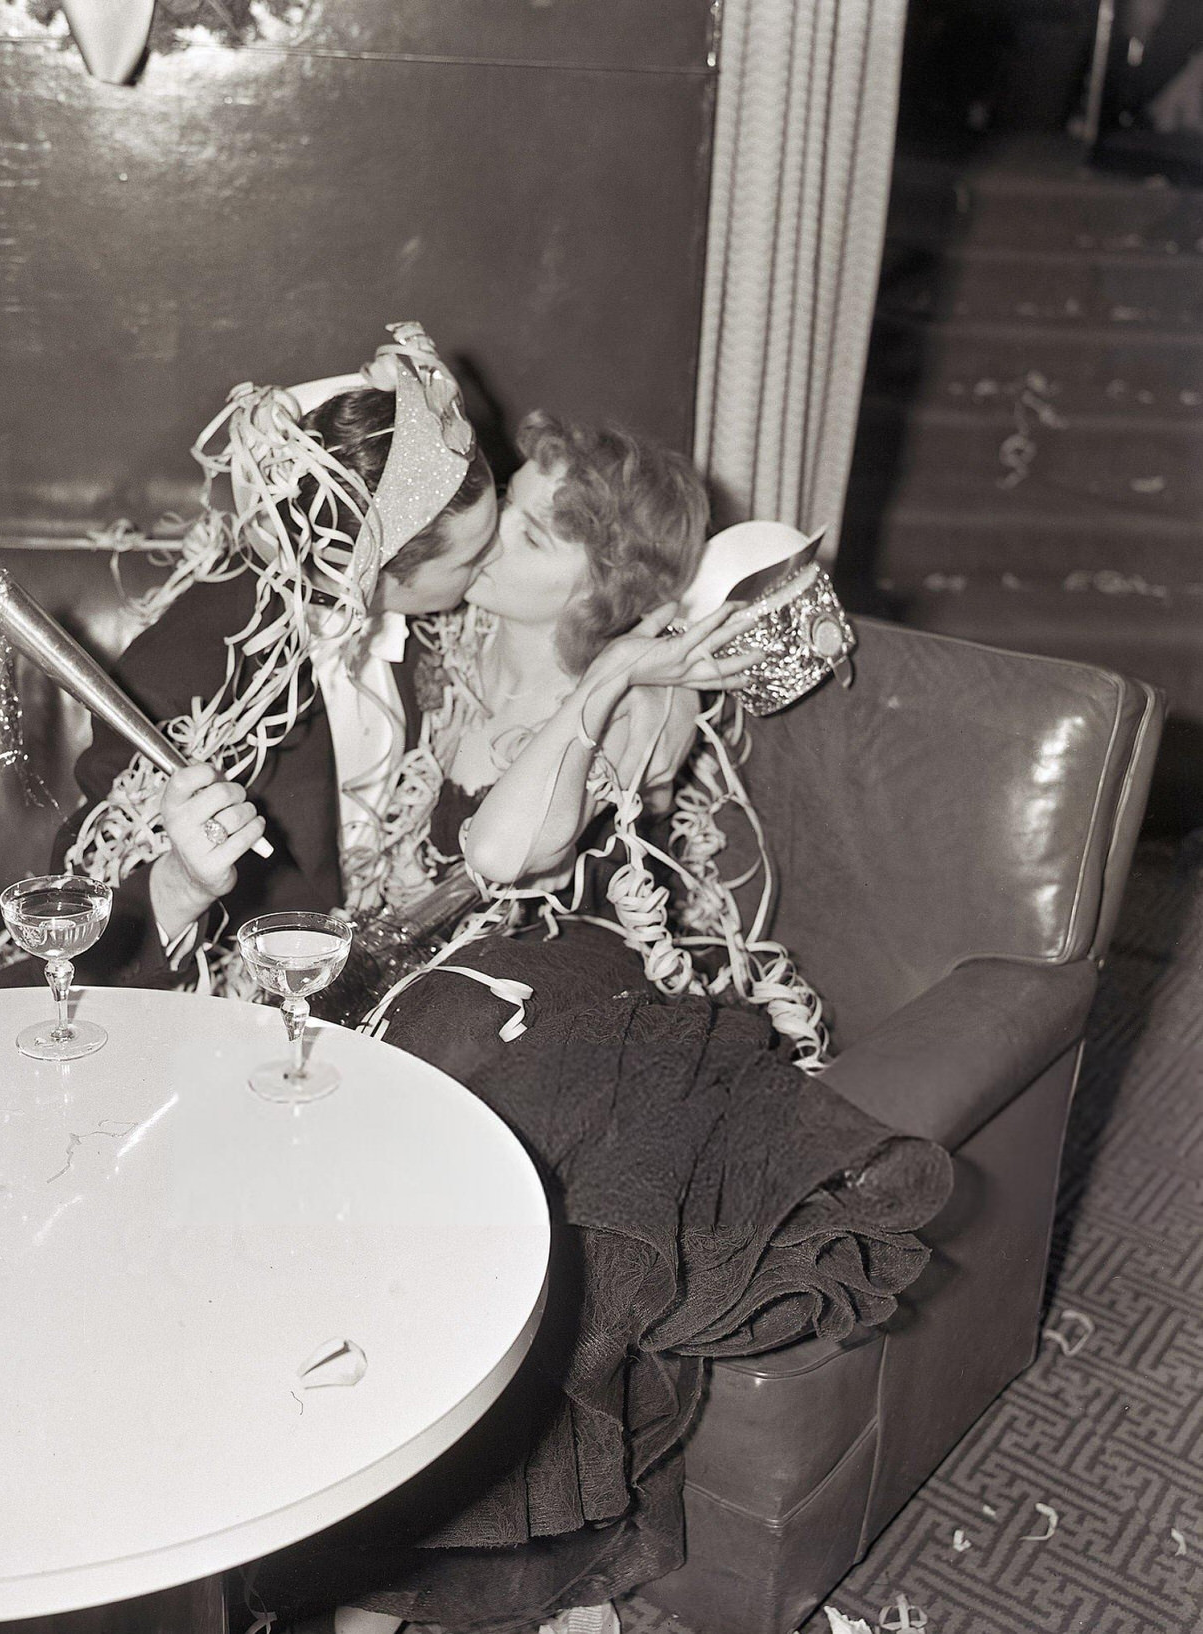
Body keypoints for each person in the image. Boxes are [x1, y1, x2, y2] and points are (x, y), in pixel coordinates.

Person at [243, 416, 953, 1634]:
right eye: (510, 506)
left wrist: (618, 673)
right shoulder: (442, 642)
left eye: (522, 532)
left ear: (600, 582)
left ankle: (376, 1588)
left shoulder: (642, 697)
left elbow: (503, 850)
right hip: (438, 976)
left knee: (467, 1175)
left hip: (573, 987)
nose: (484, 544)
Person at [51, 323, 498, 988]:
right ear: (364, 569)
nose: (493, 567)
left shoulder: (437, 621)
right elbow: (82, 924)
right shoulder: (187, 672)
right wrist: (180, 883)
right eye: (473, 557)